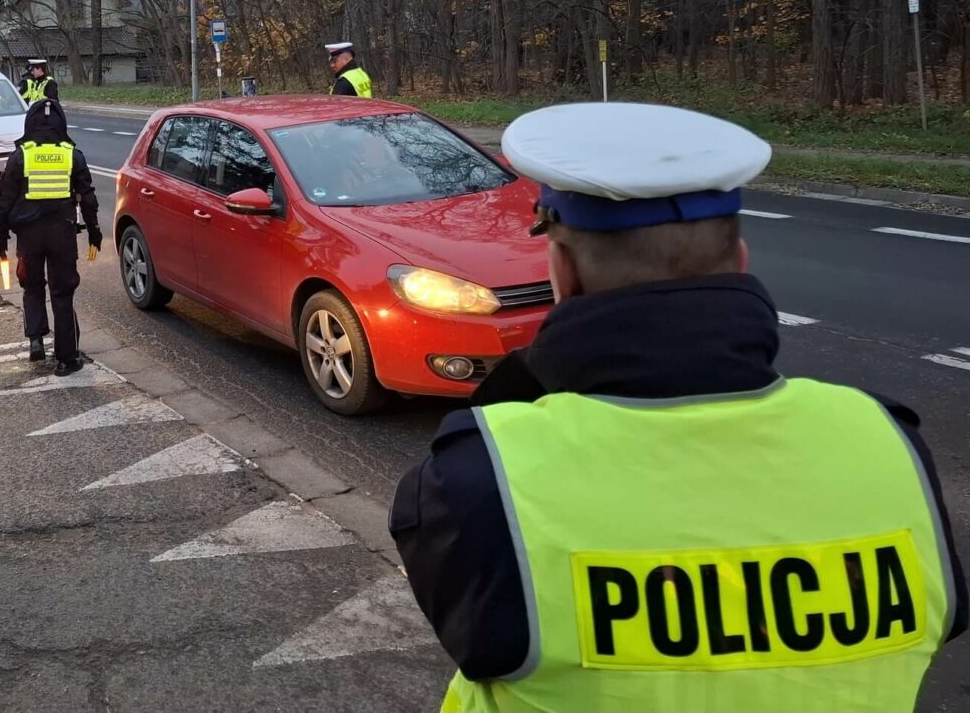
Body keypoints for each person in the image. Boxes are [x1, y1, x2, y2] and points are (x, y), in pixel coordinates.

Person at [390, 102, 965, 713]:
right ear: (740, 264)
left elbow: (473, 633)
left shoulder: (483, 477)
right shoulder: (890, 443)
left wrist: (533, 372)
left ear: (562, 272)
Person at [0, 99, 100, 376]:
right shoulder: (72, 155)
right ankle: (67, 359)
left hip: (29, 236)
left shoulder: (21, 156)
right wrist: (94, 232)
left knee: (32, 286)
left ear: (29, 124)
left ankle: (36, 341)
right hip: (62, 235)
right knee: (62, 294)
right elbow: (87, 198)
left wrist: (0, 235)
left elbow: (5, 199)